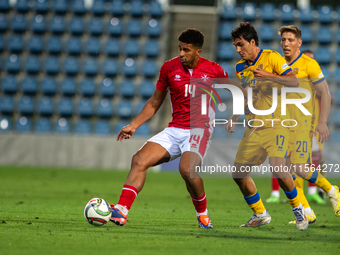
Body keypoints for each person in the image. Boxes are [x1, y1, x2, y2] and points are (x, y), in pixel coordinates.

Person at [110, 28, 241, 229]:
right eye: (179, 49)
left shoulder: (213, 70)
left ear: (198, 51)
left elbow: (236, 89)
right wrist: (134, 125)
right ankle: (121, 210)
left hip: (200, 129)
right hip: (175, 129)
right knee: (139, 160)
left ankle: (203, 215)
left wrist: (236, 114)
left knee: (188, 170)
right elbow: (155, 101)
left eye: (186, 50)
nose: (181, 54)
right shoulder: (169, 68)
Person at [226, 22, 309, 230]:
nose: (238, 49)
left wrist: (268, 76)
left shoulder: (271, 57)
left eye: (240, 44)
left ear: (252, 42)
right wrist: (235, 115)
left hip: (276, 123)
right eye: (235, 45)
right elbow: (247, 93)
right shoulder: (240, 67)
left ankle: (299, 211)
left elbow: (293, 82)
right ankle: (260, 214)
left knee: (278, 167)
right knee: (238, 174)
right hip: (254, 126)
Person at [277, 25, 340, 222]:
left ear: (299, 43)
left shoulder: (308, 64)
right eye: (284, 40)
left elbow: (326, 94)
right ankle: (306, 211)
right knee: (283, 170)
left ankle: (332, 190)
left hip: (304, 124)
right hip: (283, 124)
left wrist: (322, 122)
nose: (286, 44)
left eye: (291, 40)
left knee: (296, 166)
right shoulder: (277, 65)